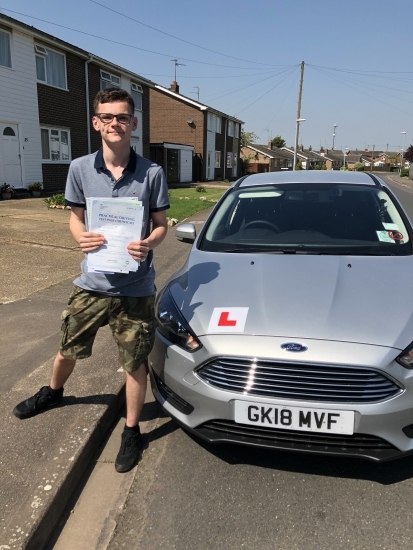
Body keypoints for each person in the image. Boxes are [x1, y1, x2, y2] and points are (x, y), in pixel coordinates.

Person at [13, 88, 169, 473]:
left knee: (134, 363)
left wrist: (148, 243)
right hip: (92, 284)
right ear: (96, 122)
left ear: (133, 123)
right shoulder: (80, 168)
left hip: (135, 288)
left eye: (122, 117)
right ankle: (52, 393)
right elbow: (75, 216)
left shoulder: (152, 172)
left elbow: (162, 225)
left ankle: (131, 431)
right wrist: (78, 235)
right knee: (67, 346)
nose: (115, 123)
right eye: (107, 117)